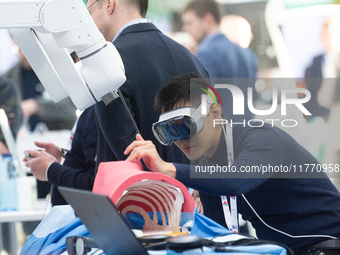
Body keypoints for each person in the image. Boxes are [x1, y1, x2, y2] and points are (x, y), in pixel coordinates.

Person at [125, 72, 340, 252]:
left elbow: (236, 180)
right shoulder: (207, 171)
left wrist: (169, 168)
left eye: (185, 126)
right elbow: (219, 234)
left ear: (215, 113)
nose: (180, 140)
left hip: (327, 244)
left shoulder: (261, 137)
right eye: (169, 132)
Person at [85, 0, 208, 170]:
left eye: (89, 11)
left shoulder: (106, 65)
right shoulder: (192, 59)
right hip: (193, 191)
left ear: (109, 4)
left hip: (139, 193)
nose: (88, 22)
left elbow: (126, 153)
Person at [182, 0, 257, 122]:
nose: (185, 28)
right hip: (246, 131)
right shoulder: (247, 53)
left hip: (221, 132)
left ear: (208, 19)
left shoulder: (206, 53)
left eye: (190, 23)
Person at [24, 106, 97, 206]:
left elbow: (96, 185)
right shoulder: (90, 110)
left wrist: (50, 169)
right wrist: (64, 156)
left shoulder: (98, 112)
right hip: (72, 213)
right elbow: (88, 159)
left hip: (83, 216)